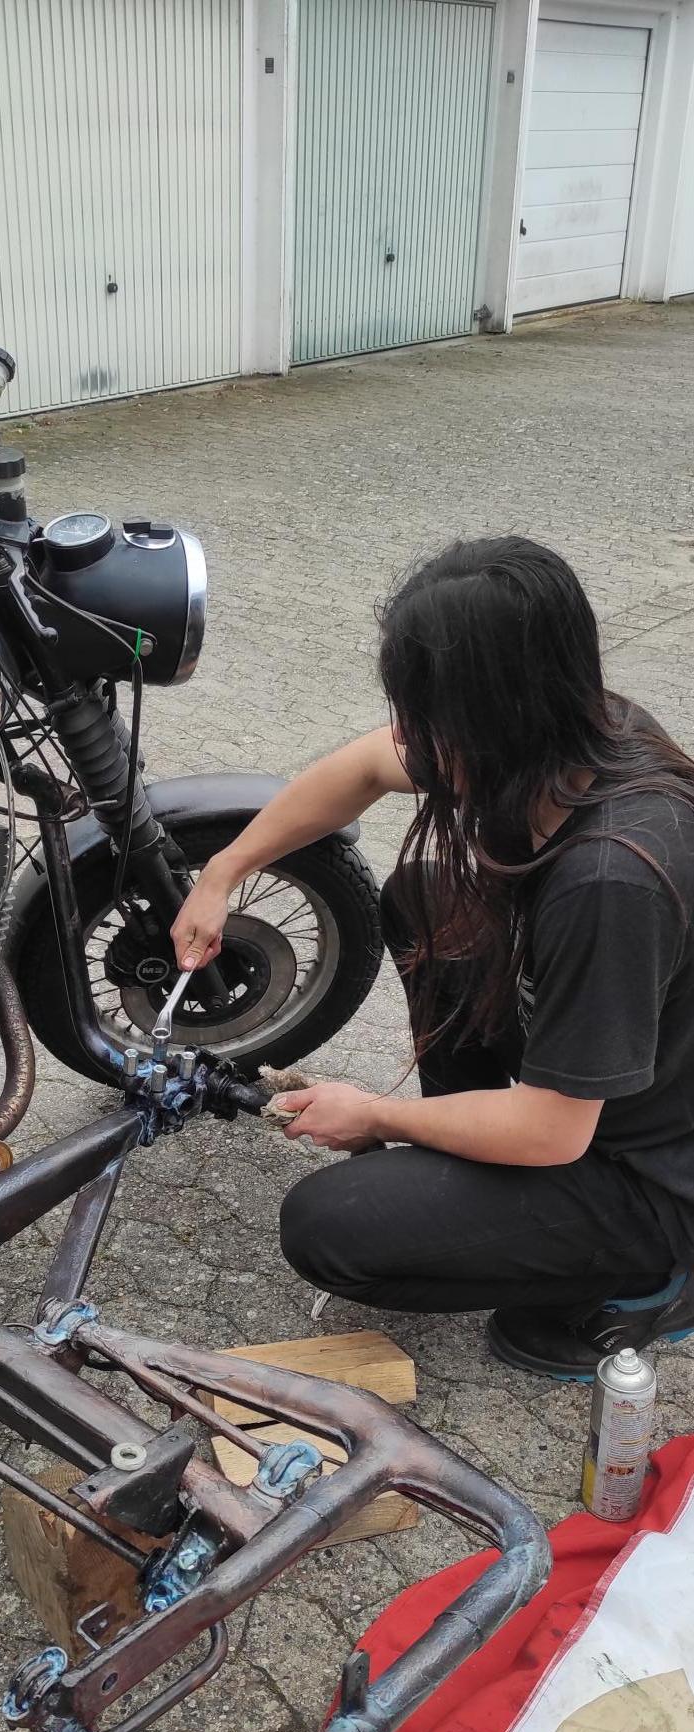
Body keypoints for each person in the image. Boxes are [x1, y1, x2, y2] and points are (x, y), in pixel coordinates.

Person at [171, 536, 694, 1380]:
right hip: (601, 1090)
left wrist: (376, 1116)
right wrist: (223, 871)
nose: (410, 735)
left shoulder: (613, 876)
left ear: (488, 713)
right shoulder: (570, 731)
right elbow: (365, 766)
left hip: (650, 1171)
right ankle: (473, 1149)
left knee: (329, 1226)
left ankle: (645, 1281)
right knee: (424, 897)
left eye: (425, 715)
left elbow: (552, 1131)